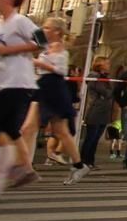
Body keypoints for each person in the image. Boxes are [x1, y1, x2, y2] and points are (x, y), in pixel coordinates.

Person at [0, 0, 43, 209]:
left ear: (10, 0)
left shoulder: (21, 21)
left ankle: (6, 166)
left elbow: (41, 41)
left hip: (20, 82)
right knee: (9, 128)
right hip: (3, 82)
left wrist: (10, 50)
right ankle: (26, 169)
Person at [32, 17, 90, 185]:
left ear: (57, 31)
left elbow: (61, 70)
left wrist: (37, 62)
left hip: (53, 88)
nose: (44, 30)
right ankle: (79, 165)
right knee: (36, 128)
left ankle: (79, 165)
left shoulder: (59, 48)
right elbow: (32, 39)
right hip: (42, 86)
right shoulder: (45, 45)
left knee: (61, 131)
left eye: (48, 28)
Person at [79, 57, 113, 168]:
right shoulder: (94, 76)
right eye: (107, 63)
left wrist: (109, 92)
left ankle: (90, 161)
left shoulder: (105, 77)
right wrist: (108, 92)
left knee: (96, 138)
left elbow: (109, 92)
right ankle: (84, 161)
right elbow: (105, 92)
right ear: (100, 64)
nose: (109, 65)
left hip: (103, 111)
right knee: (90, 138)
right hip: (95, 110)